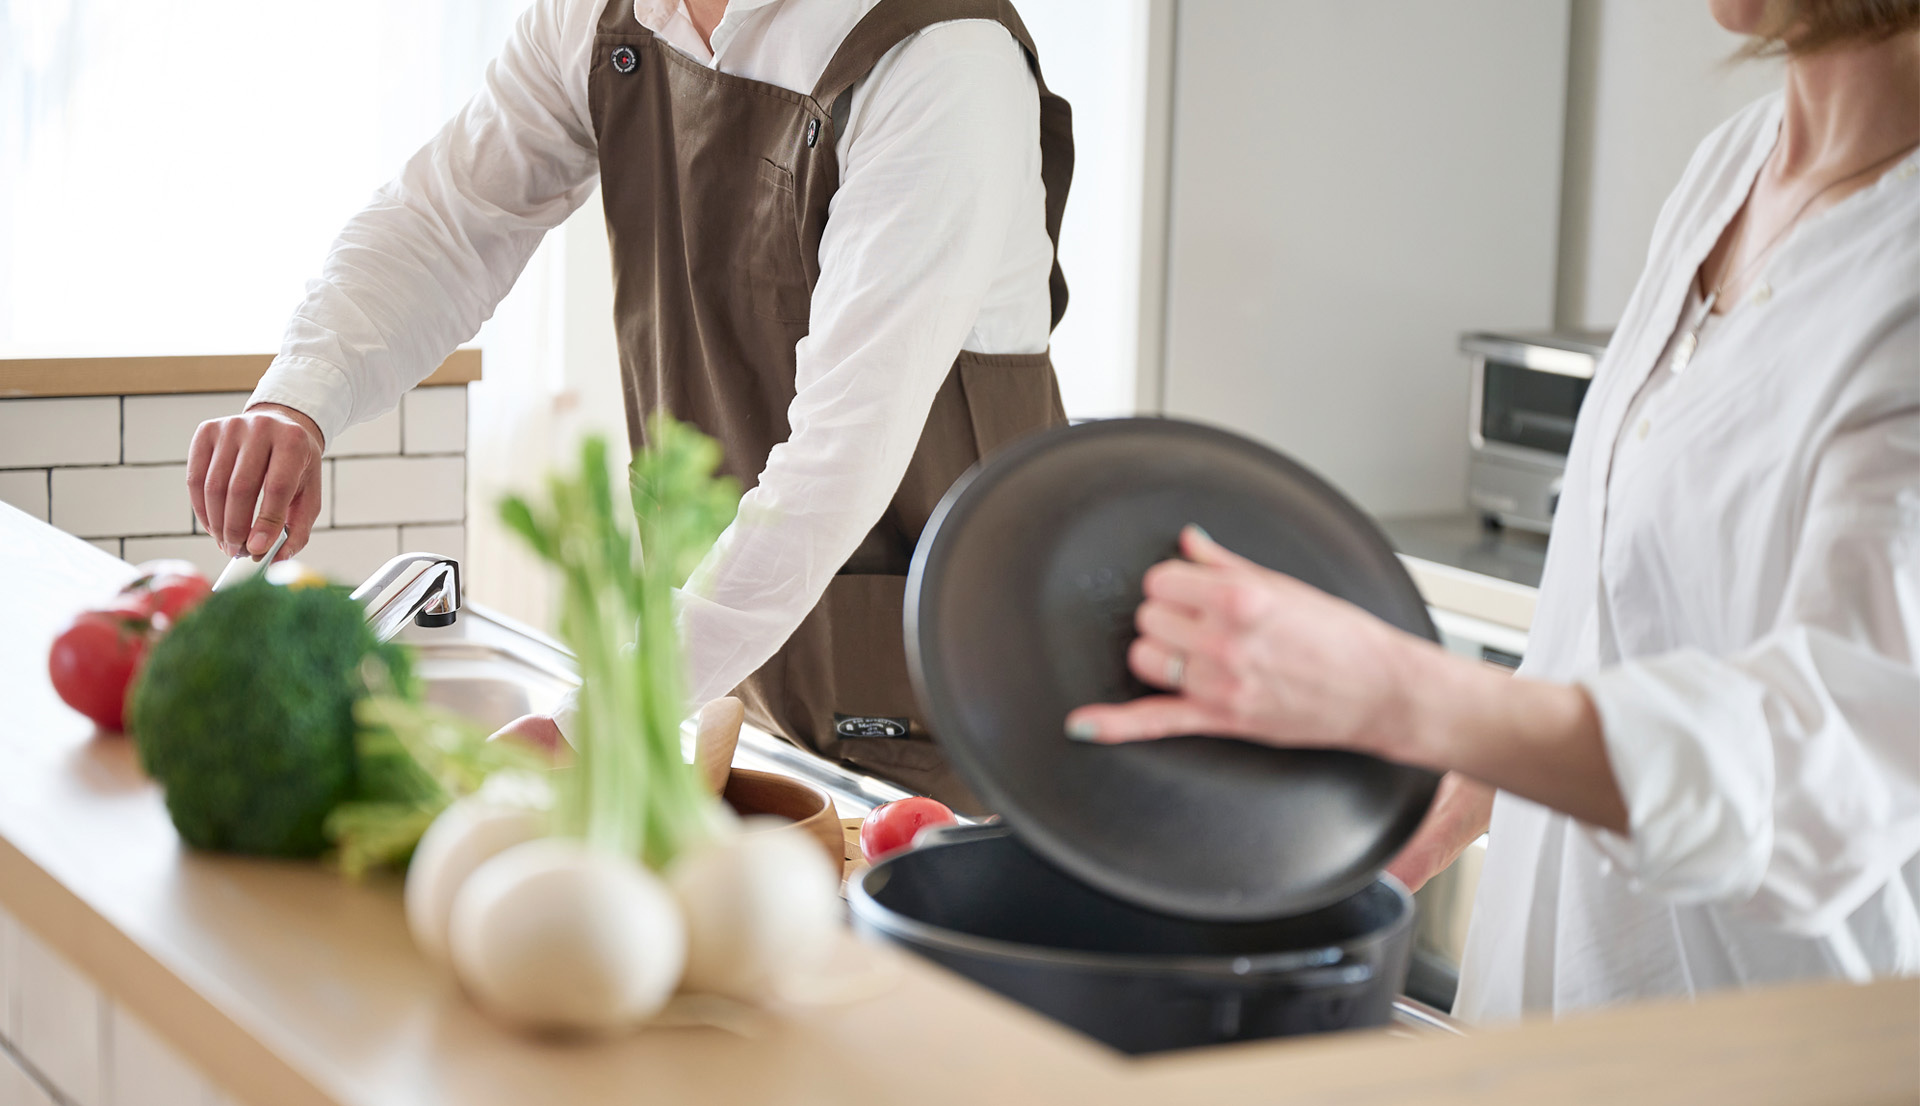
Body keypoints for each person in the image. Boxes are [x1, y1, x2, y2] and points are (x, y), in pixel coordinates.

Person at [1066, 0, 1920, 1021]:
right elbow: (1628, 625)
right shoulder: (1731, 167)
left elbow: (1826, 773)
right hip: (1538, 1014)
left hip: (1765, 1048)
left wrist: (1401, 692)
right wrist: (1457, 793)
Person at [184, 0, 1073, 806]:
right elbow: (447, 222)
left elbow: (839, 459)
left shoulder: (941, 59)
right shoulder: (605, 17)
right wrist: (299, 398)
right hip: (744, 669)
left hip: (957, 705)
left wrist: (593, 722)